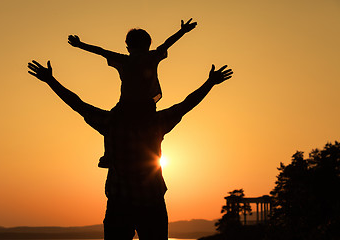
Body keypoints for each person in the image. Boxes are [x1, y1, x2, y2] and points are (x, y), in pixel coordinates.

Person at [27, 60, 233, 240]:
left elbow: (77, 104)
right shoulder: (156, 122)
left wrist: (50, 81)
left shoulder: (111, 122)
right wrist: (210, 83)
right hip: (150, 202)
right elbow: (186, 104)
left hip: (120, 202)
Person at [68, 18, 197, 104]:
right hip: (147, 106)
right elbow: (167, 44)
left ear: (128, 48)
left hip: (126, 106)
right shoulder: (152, 57)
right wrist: (182, 31)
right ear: (148, 45)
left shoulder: (124, 60)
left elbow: (101, 51)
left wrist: (80, 45)